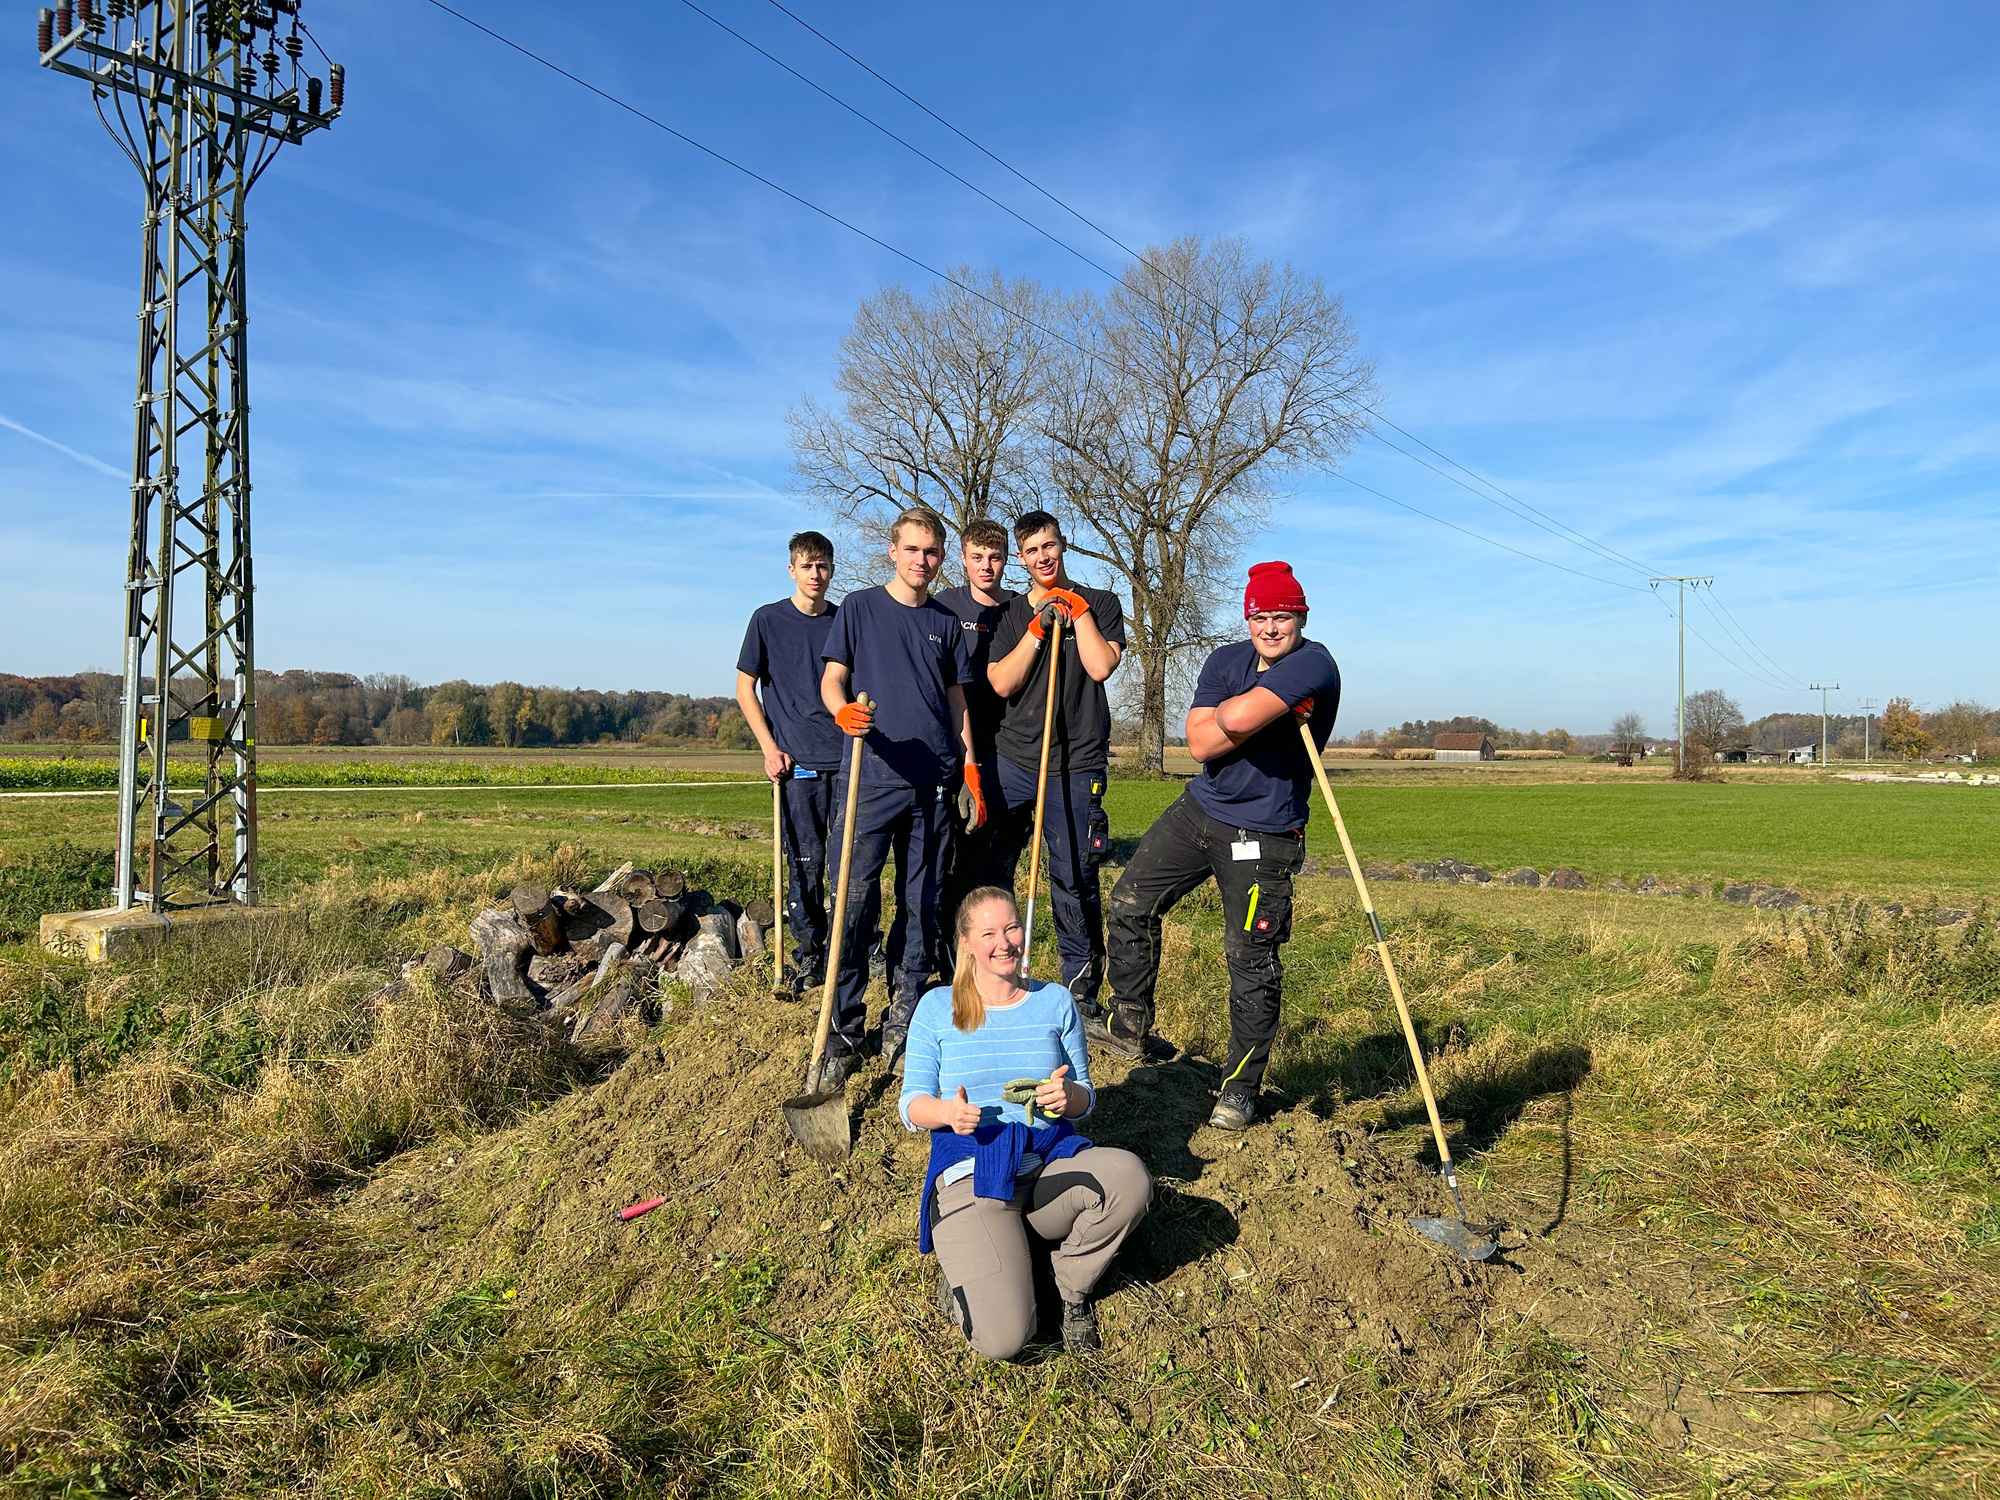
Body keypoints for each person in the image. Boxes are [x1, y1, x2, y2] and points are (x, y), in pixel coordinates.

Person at [1097, 561, 1341, 1133]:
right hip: (1199, 810)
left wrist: (1241, 711)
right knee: (1130, 903)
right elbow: (1201, 742)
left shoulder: (1314, 664)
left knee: (1249, 957)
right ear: (1248, 616)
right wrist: (1261, 705)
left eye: (1283, 616)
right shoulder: (1226, 658)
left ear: (1301, 617)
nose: (1271, 627)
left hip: (1266, 831)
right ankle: (1129, 1027)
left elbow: (1228, 717)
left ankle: (1239, 1089)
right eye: (1261, 615)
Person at [902, 886, 1151, 1359]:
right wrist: (947, 1114)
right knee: (1006, 1339)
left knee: (1128, 1180)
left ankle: (1071, 1289)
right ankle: (965, 1265)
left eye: (1012, 928)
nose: (1004, 942)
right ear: (967, 943)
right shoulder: (938, 1007)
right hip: (973, 1173)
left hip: (1046, 1165)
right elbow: (911, 1103)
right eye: (989, 932)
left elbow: (1084, 1097)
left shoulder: (1055, 1001)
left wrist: (1069, 1095)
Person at [819, 507, 988, 1088]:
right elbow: (832, 678)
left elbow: (957, 700)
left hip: (933, 784)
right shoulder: (860, 609)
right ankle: (844, 1025)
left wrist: (968, 764)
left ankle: (908, 1013)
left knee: (923, 901)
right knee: (856, 902)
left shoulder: (945, 622)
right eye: (913, 550)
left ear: (942, 558)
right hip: (871, 780)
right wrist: (839, 710)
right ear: (892, 552)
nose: (923, 561)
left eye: (933, 552)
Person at [983, 510, 1125, 1015]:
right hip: (1016, 760)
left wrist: (1077, 610)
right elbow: (1002, 683)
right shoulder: (1007, 616)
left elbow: (1100, 665)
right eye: (1032, 551)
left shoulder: (1102, 604)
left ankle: (1079, 991)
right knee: (991, 868)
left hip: (1077, 762)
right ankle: (992, 973)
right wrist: (1038, 629)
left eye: (1050, 546)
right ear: (1021, 559)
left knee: (1073, 877)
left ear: (1063, 546)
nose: (1043, 557)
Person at [735, 531, 842, 998]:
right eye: (807, 566)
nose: (816, 575)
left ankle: (853, 949)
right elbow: (745, 688)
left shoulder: (845, 621)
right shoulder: (767, 620)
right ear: (792, 570)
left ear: (831, 569)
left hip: (847, 761)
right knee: (804, 863)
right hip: (794, 763)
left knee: (850, 865)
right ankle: (808, 954)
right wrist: (768, 747)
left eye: (823, 566)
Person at [933, 518, 1018, 962]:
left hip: (1009, 750)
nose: (987, 567)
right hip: (954, 751)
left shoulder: (1020, 609)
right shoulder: (942, 609)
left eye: (996, 557)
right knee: (950, 858)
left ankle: (994, 949)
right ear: (962, 558)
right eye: (977, 557)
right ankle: (945, 951)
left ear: (1008, 560)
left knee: (996, 861)